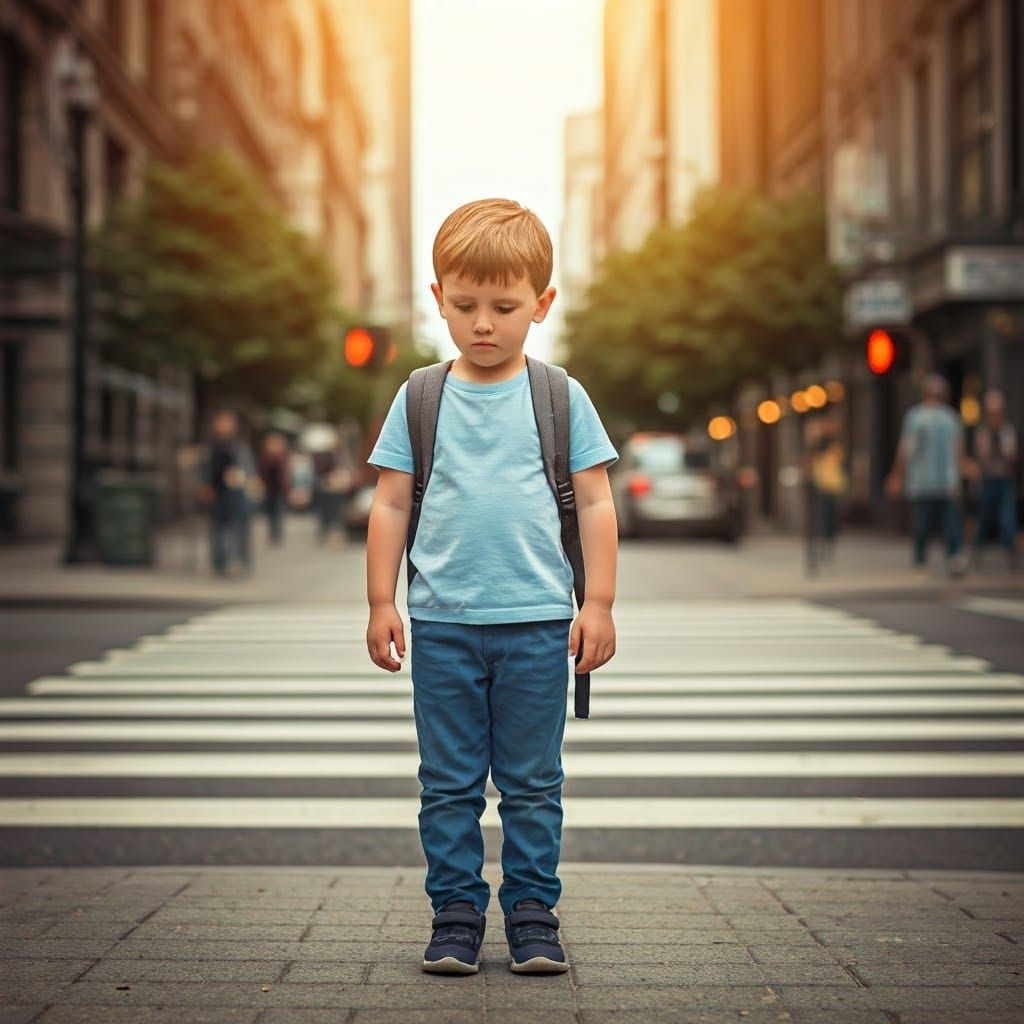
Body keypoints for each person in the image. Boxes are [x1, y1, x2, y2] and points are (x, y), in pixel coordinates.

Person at [364, 198, 619, 976]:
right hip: (442, 625)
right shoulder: (420, 397)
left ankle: (534, 913)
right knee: (447, 785)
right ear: (436, 297)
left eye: (504, 307)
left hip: (540, 623)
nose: (483, 323)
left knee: (534, 784)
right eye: (465, 305)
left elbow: (598, 498)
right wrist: (382, 601)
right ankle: (456, 914)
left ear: (541, 305)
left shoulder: (559, 395)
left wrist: (598, 603)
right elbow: (390, 501)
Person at [885, 373, 968, 577]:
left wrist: (897, 474)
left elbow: (906, 449)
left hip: (924, 479)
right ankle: (951, 556)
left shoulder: (917, 417)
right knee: (946, 521)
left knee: (925, 521)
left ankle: (923, 559)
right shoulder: (950, 417)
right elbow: (958, 450)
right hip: (943, 479)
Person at [197, 410, 256, 578]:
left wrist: (241, 477)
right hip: (218, 493)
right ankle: (219, 563)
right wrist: (205, 485)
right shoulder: (211, 446)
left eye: (226, 422)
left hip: (236, 494)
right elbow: (206, 469)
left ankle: (240, 562)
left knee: (238, 529)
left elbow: (247, 470)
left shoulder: (239, 446)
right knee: (217, 529)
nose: (223, 426)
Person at [970, 389, 1019, 572]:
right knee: (983, 519)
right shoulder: (983, 432)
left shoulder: (1007, 431)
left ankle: (1011, 554)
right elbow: (980, 456)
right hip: (988, 480)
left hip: (1004, 480)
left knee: (1008, 519)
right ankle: (977, 552)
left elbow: (1013, 455)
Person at [258, 431, 292, 545]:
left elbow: (286, 472)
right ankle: (272, 533)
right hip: (269, 488)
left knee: (279, 511)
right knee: (270, 512)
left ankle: (278, 534)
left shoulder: (283, 457)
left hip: (280, 488)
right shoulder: (265, 456)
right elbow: (262, 472)